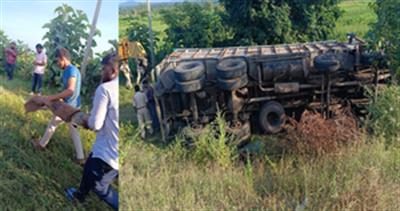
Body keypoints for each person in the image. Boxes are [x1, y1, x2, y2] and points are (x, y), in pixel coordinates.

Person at [65, 53, 119, 210]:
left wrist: (85, 119)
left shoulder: (105, 89)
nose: (102, 73)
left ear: (113, 69)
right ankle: (80, 194)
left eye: (104, 69)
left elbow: (96, 124)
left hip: (107, 152)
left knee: (99, 185)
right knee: (90, 167)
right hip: (116, 150)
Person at [31, 47, 84, 164]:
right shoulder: (69, 70)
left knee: (52, 124)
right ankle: (80, 157)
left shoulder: (71, 70)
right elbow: (69, 92)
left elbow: (70, 90)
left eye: (57, 61)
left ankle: (41, 145)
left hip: (69, 108)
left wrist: (49, 98)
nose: (57, 64)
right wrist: (56, 99)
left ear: (63, 58)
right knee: (73, 130)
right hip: (74, 106)